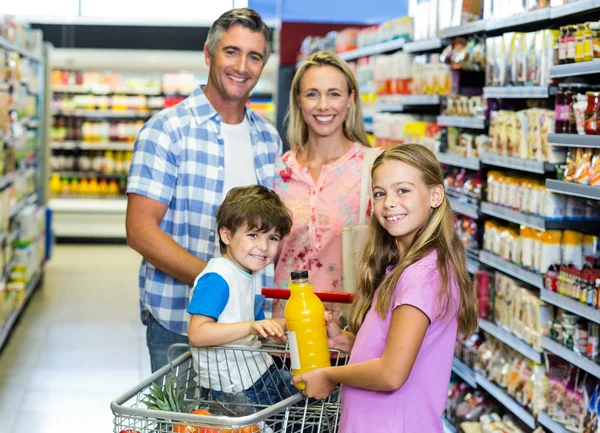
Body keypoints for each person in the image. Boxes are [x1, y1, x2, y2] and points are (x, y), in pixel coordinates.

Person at [125, 8, 282, 373]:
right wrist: (217, 287)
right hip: (177, 322)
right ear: (209, 54)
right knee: (182, 426)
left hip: (247, 329)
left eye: (254, 56)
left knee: (239, 429)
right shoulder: (166, 131)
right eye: (231, 52)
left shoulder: (268, 138)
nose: (242, 66)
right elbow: (140, 231)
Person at [291, 144, 479, 433]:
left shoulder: (421, 276)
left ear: (435, 195)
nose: (389, 202)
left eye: (403, 190)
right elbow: (398, 351)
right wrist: (345, 340)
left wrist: (329, 375)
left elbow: (391, 373)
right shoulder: (407, 267)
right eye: (380, 193)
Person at [273, 51, 377, 324]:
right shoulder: (277, 172)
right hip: (282, 332)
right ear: (298, 99)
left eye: (334, 94)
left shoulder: (373, 167)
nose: (323, 105)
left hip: (348, 333)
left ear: (351, 99)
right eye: (312, 94)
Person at [187, 185, 297, 405]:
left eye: (273, 238)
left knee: (313, 397)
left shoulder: (248, 273)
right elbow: (197, 334)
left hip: (258, 373)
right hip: (235, 389)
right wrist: (251, 327)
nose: (264, 247)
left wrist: (298, 322)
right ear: (226, 235)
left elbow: (257, 325)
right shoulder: (218, 277)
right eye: (253, 235)